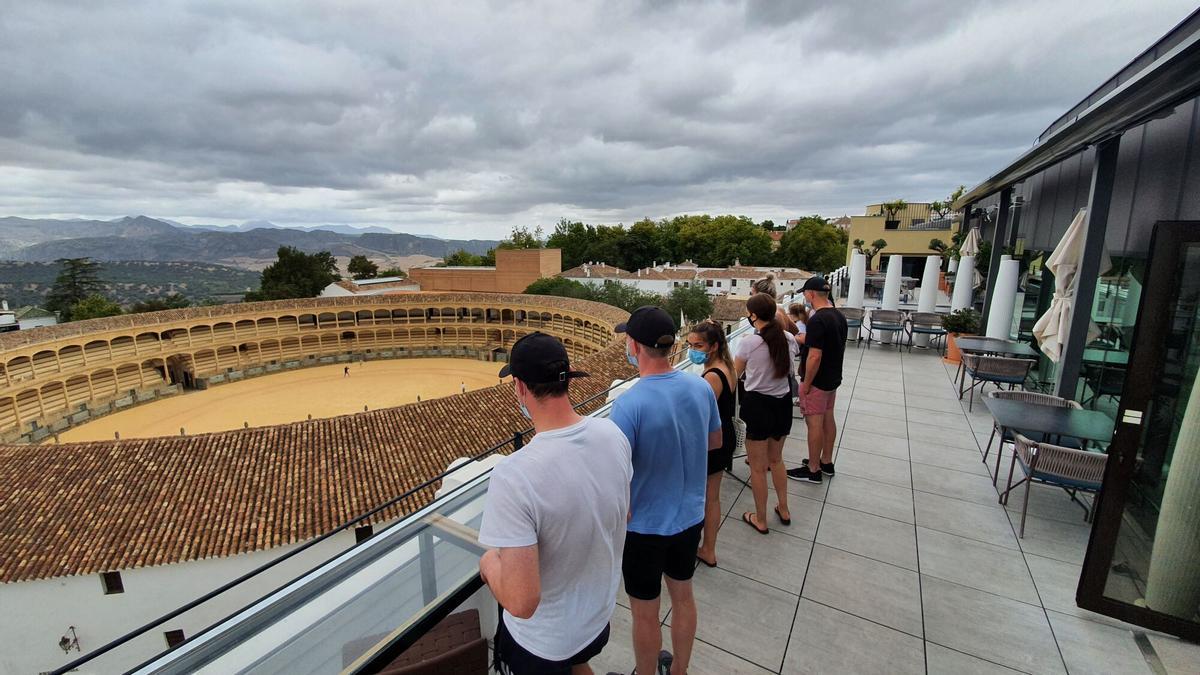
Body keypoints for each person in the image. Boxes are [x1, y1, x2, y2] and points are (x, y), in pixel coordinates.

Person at [478, 332, 633, 675]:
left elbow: (521, 602)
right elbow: (626, 512)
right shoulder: (613, 436)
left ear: (519, 387)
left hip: (543, 643)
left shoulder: (514, 476)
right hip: (596, 618)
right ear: (567, 379)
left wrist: (489, 563)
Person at [611, 306, 721, 675]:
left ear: (635, 345)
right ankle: (680, 671)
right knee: (684, 597)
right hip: (689, 517)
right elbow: (714, 441)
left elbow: (616, 474)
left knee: (645, 613)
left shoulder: (628, 404)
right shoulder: (700, 386)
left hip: (644, 527)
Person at [734, 293, 799, 534]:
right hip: (782, 404)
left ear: (753, 316)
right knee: (777, 460)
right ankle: (784, 508)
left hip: (758, 405)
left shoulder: (750, 343)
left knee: (758, 467)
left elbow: (735, 374)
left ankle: (760, 519)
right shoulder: (789, 338)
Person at [788, 277, 848, 484]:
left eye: (805, 293)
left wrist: (806, 383)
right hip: (833, 378)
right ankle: (826, 462)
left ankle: (813, 469)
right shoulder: (838, 316)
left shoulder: (817, 320)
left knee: (814, 423)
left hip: (818, 381)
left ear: (811, 294)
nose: (805, 296)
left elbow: (815, 355)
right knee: (828, 419)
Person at [686, 320, 736, 568]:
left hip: (713, 440)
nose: (693, 350)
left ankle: (707, 548)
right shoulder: (727, 366)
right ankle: (709, 548)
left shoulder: (711, 376)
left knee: (706, 496)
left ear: (713, 346)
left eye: (698, 345)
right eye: (690, 345)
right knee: (712, 496)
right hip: (725, 435)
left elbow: (699, 415)